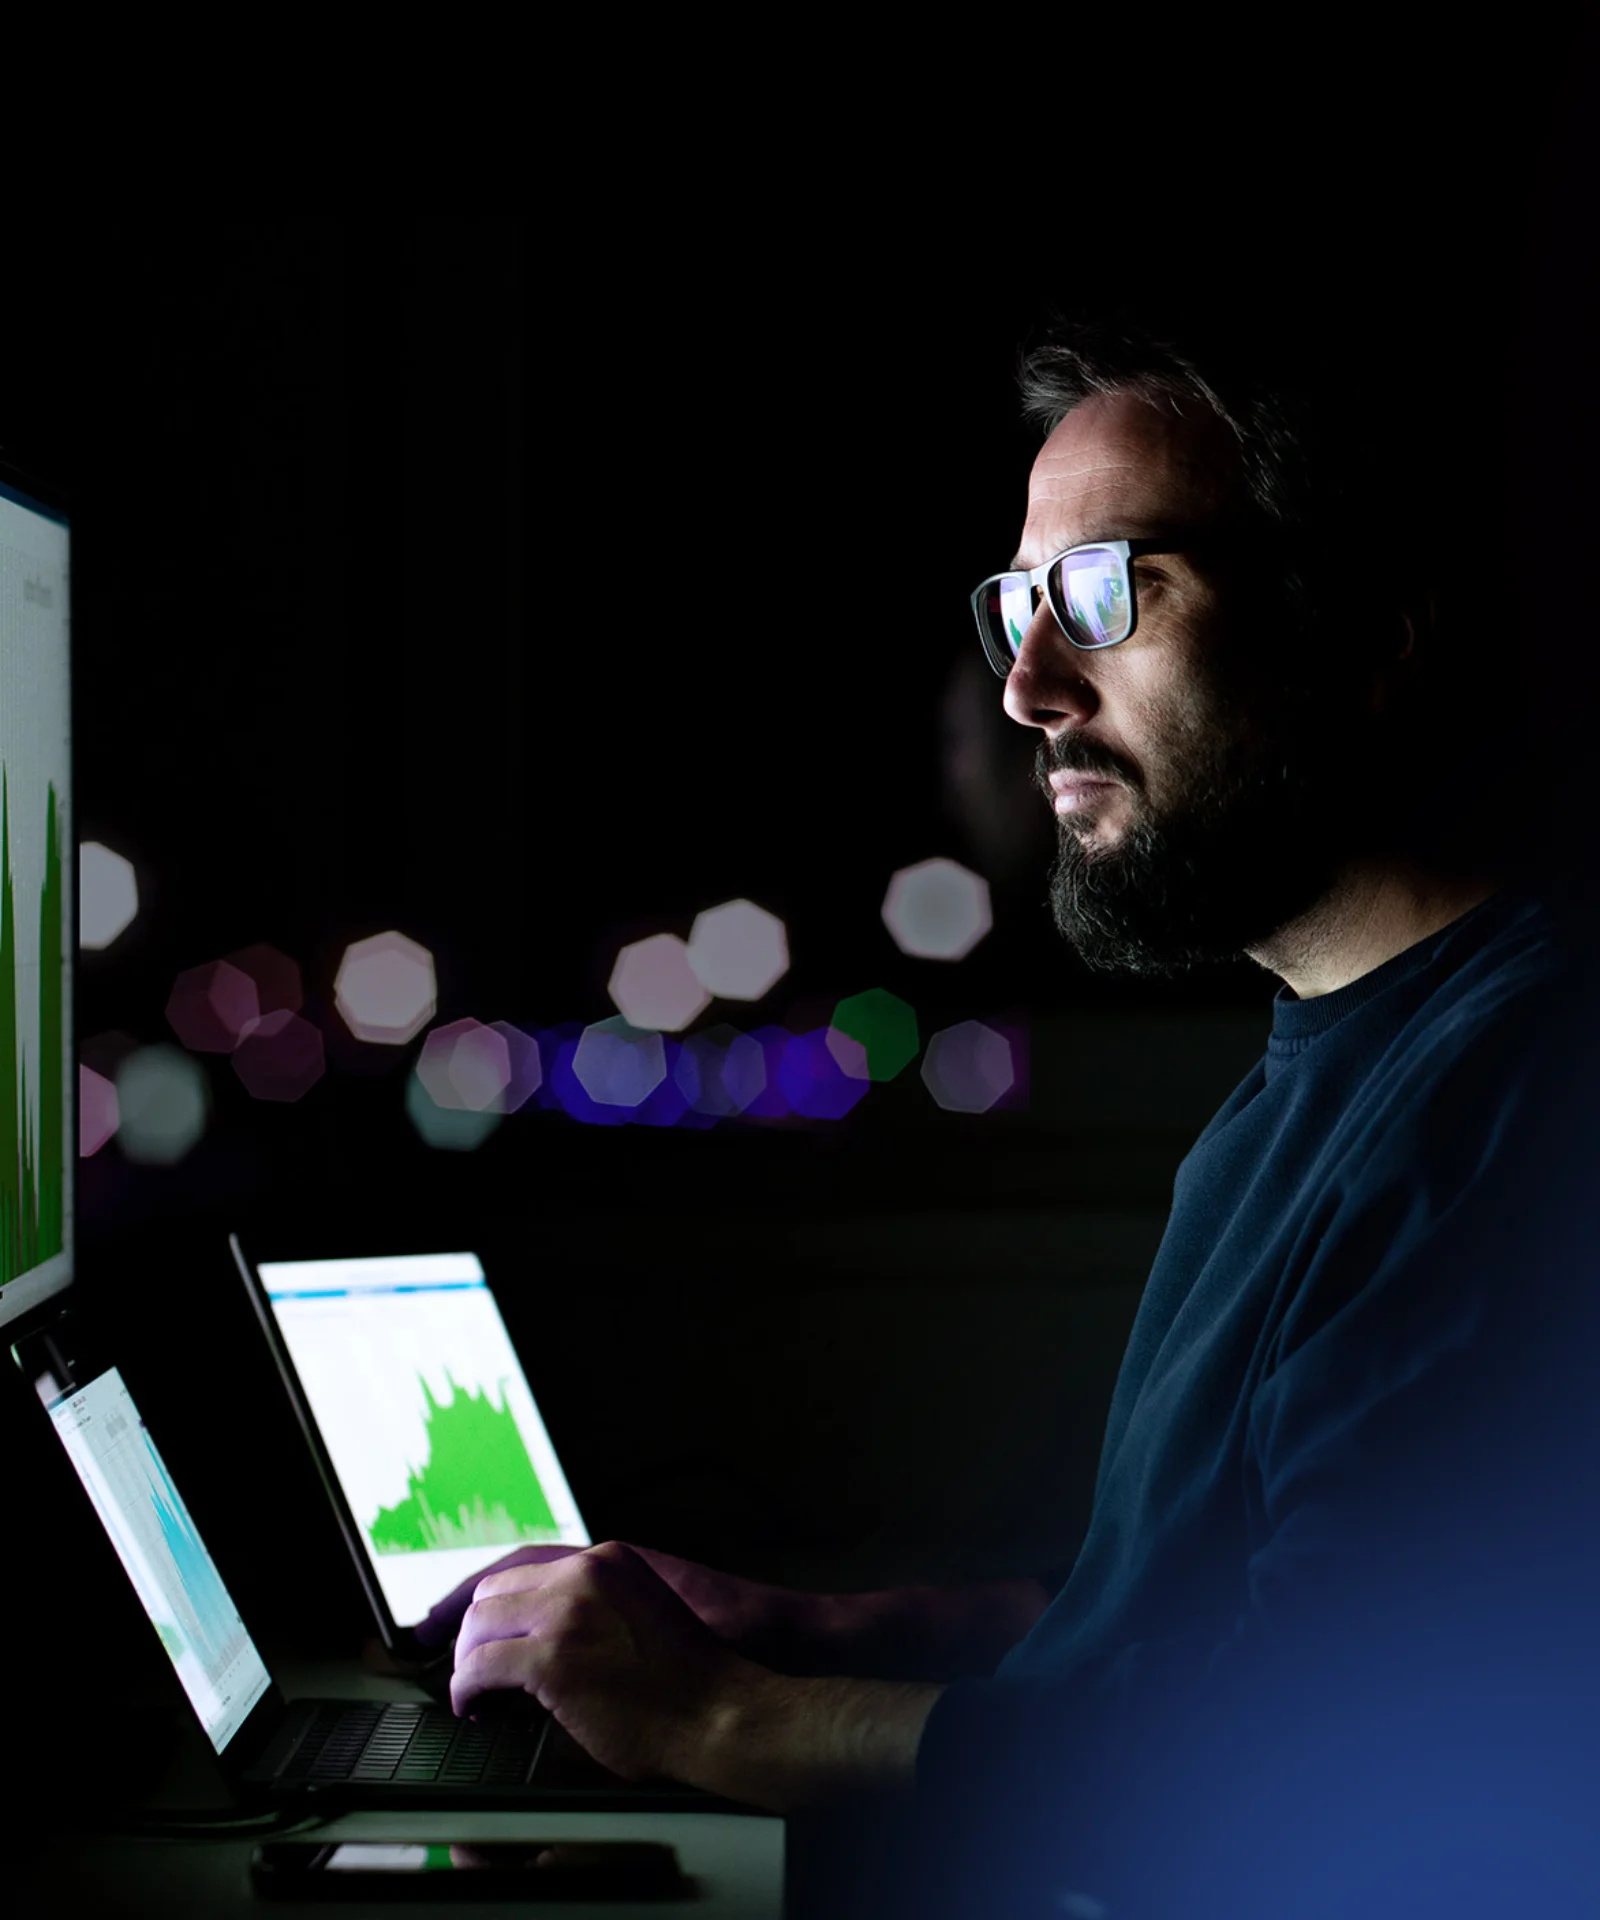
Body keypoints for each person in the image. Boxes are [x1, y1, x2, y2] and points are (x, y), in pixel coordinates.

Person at [420, 287, 1600, 1918]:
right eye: (1020, 602)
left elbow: (1321, 1753)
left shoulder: (1520, 1112)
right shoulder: (1299, 1090)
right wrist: (827, 1635)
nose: (1029, 684)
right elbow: (1188, 1625)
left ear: (1368, 635)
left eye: (1111, 592)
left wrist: (714, 1716)